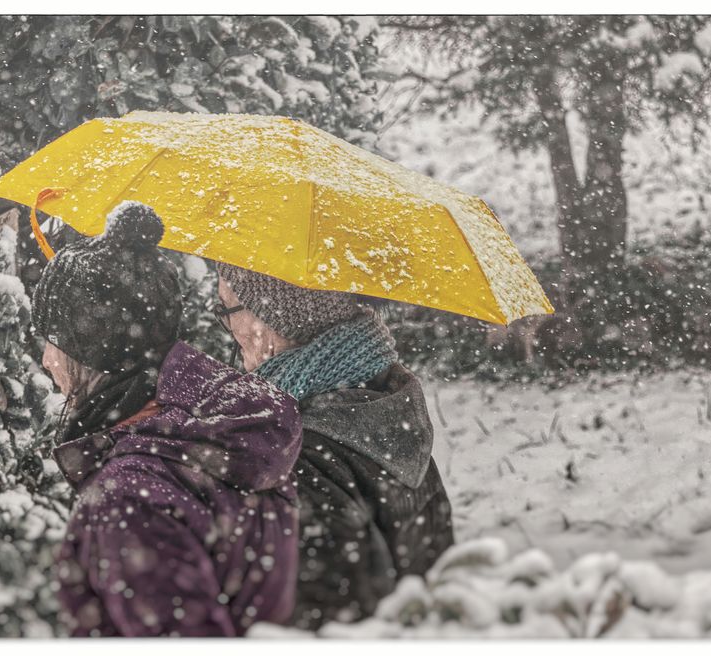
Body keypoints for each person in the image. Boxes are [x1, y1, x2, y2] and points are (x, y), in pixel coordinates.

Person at [33, 202, 303, 637]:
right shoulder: (232, 432)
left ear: (90, 351)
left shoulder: (131, 496)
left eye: (51, 342)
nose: (46, 361)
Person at [215, 263, 455, 630]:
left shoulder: (298, 457)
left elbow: (319, 628)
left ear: (272, 323)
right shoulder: (380, 403)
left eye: (227, 310)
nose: (229, 328)